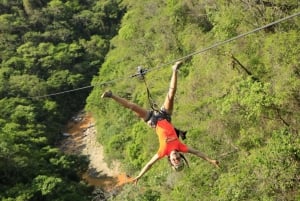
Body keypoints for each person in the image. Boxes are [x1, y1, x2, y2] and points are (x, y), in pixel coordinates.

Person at [101, 61, 219, 184]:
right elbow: (197, 153)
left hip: (153, 121)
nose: (175, 157)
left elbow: (149, 164)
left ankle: (111, 95)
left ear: (170, 160)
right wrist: (210, 160)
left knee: (132, 107)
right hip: (165, 116)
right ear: (180, 155)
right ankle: (174, 69)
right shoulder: (181, 147)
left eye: (174, 160)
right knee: (171, 94)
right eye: (178, 158)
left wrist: (139, 176)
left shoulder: (163, 152)